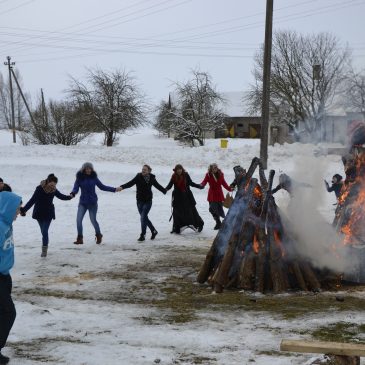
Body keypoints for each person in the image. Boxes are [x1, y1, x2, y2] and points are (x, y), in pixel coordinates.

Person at [20, 174, 73, 257]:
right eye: (52, 184)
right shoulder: (39, 189)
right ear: (48, 182)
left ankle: (44, 251)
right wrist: (24, 210)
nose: (53, 186)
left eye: (55, 185)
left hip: (49, 213)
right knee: (43, 232)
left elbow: (61, 196)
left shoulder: (54, 190)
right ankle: (45, 244)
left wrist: (70, 197)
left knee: (45, 231)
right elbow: (32, 200)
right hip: (39, 212)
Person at [71, 162, 122, 245]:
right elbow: (75, 188)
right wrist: (73, 193)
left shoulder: (94, 178)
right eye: (87, 168)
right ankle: (80, 238)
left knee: (93, 220)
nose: (88, 170)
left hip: (92, 203)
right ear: (84, 169)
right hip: (83, 203)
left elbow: (102, 187)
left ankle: (98, 235)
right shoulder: (79, 178)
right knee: (78, 220)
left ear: (92, 169)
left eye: (90, 168)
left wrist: (114, 189)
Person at [0, 191, 22, 365]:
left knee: (2, 313)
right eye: (16, 209)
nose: (18, 212)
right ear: (7, 208)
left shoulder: (6, 224)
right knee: (9, 312)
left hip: (5, 275)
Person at [120, 164, 166, 241]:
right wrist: (122, 187)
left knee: (143, 217)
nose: (143, 171)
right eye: (142, 169)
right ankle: (153, 231)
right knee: (144, 217)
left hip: (148, 201)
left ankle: (143, 235)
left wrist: (164, 190)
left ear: (149, 171)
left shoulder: (152, 178)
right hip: (139, 201)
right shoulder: (138, 177)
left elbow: (157, 186)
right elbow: (130, 183)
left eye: (145, 169)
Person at [165, 164, 204, 234]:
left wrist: (199, 186)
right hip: (177, 197)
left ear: (182, 169)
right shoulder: (174, 176)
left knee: (192, 211)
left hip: (187, 196)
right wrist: (164, 189)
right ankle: (176, 227)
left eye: (180, 169)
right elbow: (170, 185)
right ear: (176, 170)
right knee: (176, 213)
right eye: (177, 169)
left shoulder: (186, 175)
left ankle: (200, 224)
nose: (179, 170)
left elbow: (191, 183)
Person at [200, 163, 232, 229]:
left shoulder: (221, 174)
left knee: (218, 209)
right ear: (211, 169)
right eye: (213, 168)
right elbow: (204, 181)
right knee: (212, 209)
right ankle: (218, 222)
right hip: (211, 194)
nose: (215, 169)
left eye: (216, 168)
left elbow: (224, 183)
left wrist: (229, 189)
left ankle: (219, 223)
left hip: (219, 194)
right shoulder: (208, 175)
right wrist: (201, 185)